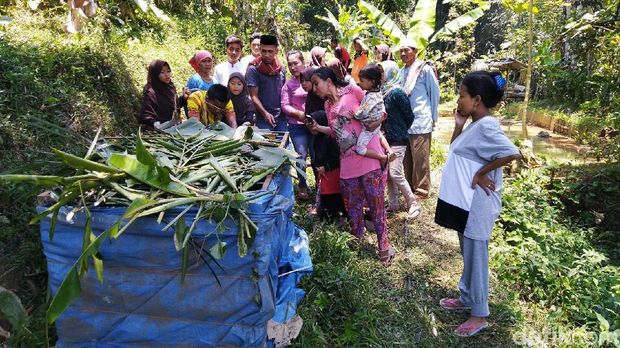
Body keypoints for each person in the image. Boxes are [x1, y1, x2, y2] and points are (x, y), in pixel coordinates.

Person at [435, 71, 520, 337]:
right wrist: (459, 124)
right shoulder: (474, 124)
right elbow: (455, 150)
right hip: (465, 202)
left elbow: (511, 152)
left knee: (476, 255)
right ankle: (466, 297)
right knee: (468, 252)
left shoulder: (488, 126)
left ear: (477, 99)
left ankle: (479, 314)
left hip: (478, 204)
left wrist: (482, 173)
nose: (458, 101)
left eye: (462, 96)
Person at [308, 67, 395, 267]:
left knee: (376, 206)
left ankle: (384, 247)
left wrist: (380, 124)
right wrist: (318, 128)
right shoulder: (328, 106)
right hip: (347, 164)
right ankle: (357, 244)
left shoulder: (353, 91)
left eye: (315, 83)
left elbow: (376, 107)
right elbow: (337, 131)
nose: (314, 88)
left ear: (328, 81)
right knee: (353, 208)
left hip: (369, 159)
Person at [398, 38, 440, 199]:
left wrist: (433, 117)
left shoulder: (424, 70)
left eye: (406, 50)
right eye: (401, 51)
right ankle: (409, 187)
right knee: (407, 158)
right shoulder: (402, 72)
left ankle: (422, 190)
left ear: (415, 51)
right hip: (406, 122)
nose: (403, 54)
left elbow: (434, 93)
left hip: (421, 119)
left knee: (421, 157)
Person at [378, 63, 421, 219]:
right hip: (386, 139)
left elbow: (409, 115)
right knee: (389, 173)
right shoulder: (383, 92)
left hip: (398, 138)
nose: (380, 76)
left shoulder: (397, 92)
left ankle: (413, 202)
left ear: (390, 73)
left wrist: (401, 129)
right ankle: (394, 203)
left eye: (382, 73)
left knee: (395, 172)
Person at [307, 110, 347, 222]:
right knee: (326, 197)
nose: (311, 127)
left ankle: (333, 218)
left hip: (332, 173)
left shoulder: (330, 139)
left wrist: (326, 167)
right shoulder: (317, 138)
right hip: (324, 174)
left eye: (313, 124)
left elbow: (337, 158)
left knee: (331, 197)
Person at [281, 50, 310, 200]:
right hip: (297, 124)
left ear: (303, 63)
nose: (293, 67)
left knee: (319, 156)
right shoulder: (289, 84)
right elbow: (285, 105)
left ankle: (323, 187)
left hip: (315, 123)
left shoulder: (313, 78)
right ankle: (303, 186)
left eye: (296, 63)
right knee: (301, 155)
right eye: (290, 64)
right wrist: (299, 114)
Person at [354, 64, 395, 168]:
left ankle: (382, 157)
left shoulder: (370, 97)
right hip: (377, 123)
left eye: (362, 81)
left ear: (372, 82)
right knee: (379, 135)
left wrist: (354, 115)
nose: (360, 83)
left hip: (369, 126)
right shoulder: (378, 93)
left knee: (360, 149)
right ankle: (389, 150)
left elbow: (363, 112)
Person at [246, 34, 287, 131]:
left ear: (276, 51)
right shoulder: (253, 69)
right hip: (263, 119)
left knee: (282, 145)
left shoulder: (281, 69)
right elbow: (254, 96)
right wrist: (265, 114)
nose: (266, 55)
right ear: (260, 49)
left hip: (281, 118)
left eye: (270, 51)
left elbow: (284, 92)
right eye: (264, 51)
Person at [139, 59, 188, 130]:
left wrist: (183, 98)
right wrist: (156, 124)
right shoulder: (151, 92)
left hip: (174, 127)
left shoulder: (170, 87)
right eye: (162, 72)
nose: (167, 74)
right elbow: (146, 114)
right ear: (155, 74)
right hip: (159, 131)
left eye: (168, 71)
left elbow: (173, 106)